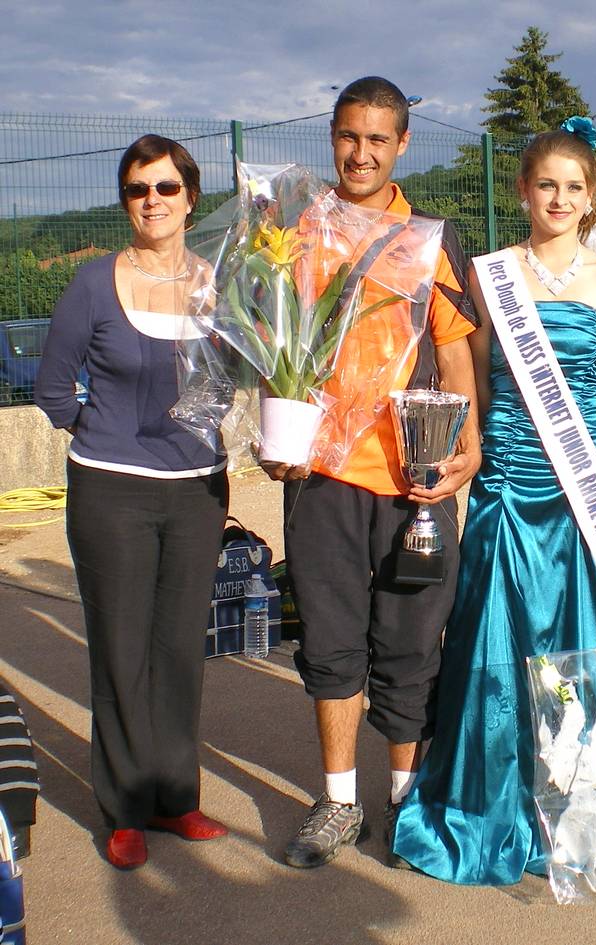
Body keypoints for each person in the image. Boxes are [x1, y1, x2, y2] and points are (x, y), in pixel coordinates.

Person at [392, 119, 596, 884]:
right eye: (546, 185)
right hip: (507, 477)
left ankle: (582, 804)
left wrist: (592, 468)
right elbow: (475, 377)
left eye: (574, 187)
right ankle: (494, 798)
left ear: (591, 197)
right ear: (524, 191)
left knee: (580, 636)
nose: (560, 198)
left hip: (584, 483)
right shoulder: (490, 275)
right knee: (498, 637)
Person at [259, 77, 481, 870]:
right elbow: (273, 348)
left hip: (414, 478)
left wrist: (467, 449)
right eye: (350, 137)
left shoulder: (428, 239)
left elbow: (455, 353)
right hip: (322, 476)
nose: (361, 153)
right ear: (332, 136)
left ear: (402, 144)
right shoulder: (296, 231)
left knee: (411, 643)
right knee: (329, 640)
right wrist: (273, 432)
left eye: (378, 139)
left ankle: (404, 803)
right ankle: (338, 801)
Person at [35, 135, 229, 870]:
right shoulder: (94, 283)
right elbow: (53, 388)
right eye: (137, 189)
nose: (153, 200)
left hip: (197, 492)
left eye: (166, 187)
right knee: (121, 651)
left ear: (190, 197)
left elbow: (242, 376)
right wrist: (102, 431)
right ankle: (123, 808)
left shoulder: (221, 283)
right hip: (110, 491)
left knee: (179, 650)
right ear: (125, 201)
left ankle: (175, 796)